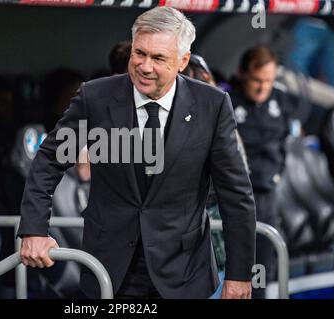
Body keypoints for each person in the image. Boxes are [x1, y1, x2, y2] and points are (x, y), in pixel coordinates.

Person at [18, 7, 256, 299]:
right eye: (139, 53)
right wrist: (34, 229)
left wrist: (240, 274)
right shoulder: (95, 98)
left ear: (182, 61)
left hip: (184, 272)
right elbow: (49, 162)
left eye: (158, 58)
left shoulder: (212, 105)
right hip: (109, 269)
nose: (145, 66)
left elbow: (236, 194)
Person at [229, 45, 295, 298]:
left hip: (267, 195)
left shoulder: (280, 99)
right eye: (257, 80)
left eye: (268, 81)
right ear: (242, 74)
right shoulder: (227, 102)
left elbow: (284, 140)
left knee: (262, 269)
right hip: (235, 198)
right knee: (233, 268)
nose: (262, 88)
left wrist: (277, 173)